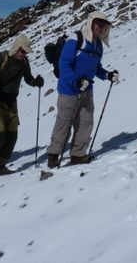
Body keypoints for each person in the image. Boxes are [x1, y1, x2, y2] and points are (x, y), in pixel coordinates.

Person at [46, 12, 119, 167]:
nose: (100, 27)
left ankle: (78, 155)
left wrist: (107, 75)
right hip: (68, 90)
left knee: (85, 122)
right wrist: (76, 81)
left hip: (87, 90)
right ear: (91, 23)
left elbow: (96, 67)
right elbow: (64, 64)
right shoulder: (76, 39)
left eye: (104, 25)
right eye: (98, 24)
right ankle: (53, 155)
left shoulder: (98, 45)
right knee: (64, 122)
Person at [0, 34, 44, 176]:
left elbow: (28, 78)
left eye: (26, 52)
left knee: (12, 134)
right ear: (16, 48)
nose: (24, 54)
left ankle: (1, 165)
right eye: (22, 51)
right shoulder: (0, 60)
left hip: (11, 101)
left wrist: (36, 82)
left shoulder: (24, 62)